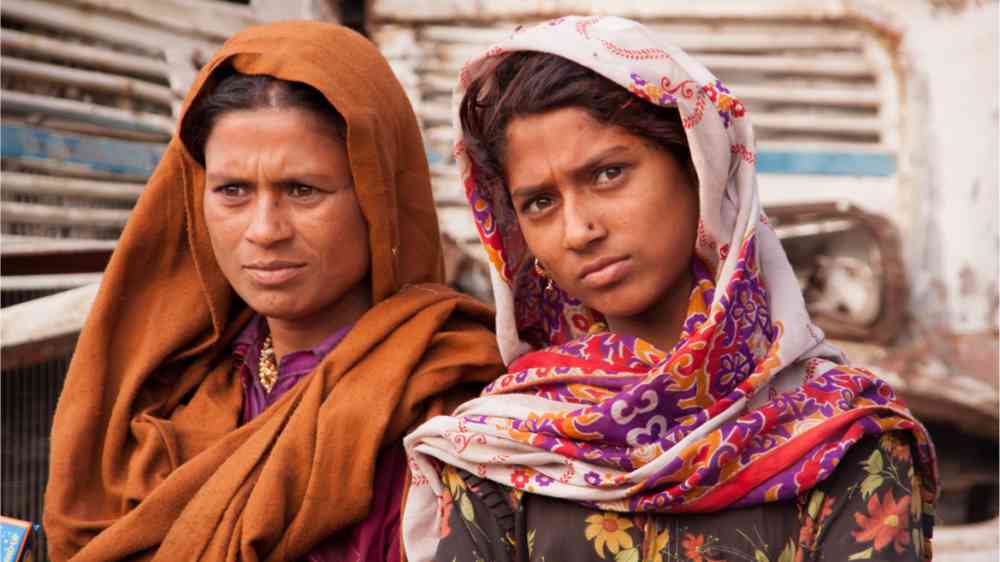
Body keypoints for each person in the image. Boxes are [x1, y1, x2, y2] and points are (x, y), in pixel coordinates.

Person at [403, 16, 938, 562]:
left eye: (608, 174)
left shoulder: (847, 439)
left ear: (700, 167)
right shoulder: (495, 450)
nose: (579, 230)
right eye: (540, 202)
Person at [43, 21, 504, 562]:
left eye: (302, 190)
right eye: (233, 190)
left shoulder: (450, 403)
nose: (264, 230)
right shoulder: (170, 391)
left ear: (378, 199)